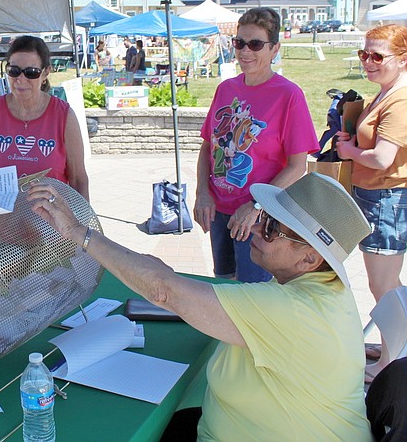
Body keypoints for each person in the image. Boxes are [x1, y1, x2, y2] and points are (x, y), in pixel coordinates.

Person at [30, 173, 373, 441]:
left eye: (271, 227)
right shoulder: (313, 288)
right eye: (264, 217)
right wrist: (162, 281)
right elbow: (169, 288)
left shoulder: (293, 309)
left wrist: (78, 232)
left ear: (310, 257)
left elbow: (164, 290)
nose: (255, 226)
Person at [194, 7, 318, 283]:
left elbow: (298, 166)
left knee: (253, 293)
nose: (245, 51)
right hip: (219, 210)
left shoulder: (289, 96)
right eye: (239, 42)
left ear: (274, 49)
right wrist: (202, 192)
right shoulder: (226, 89)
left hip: (258, 219)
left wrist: (255, 206)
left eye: (255, 44)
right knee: (224, 284)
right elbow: (208, 146)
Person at [336, 23, 407, 382]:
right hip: (378, 197)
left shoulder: (400, 98)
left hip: (387, 199)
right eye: (365, 54)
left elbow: (381, 158)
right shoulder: (387, 91)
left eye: (378, 55)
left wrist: (348, 150)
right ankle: (391, 347)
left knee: (385, 287)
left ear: (403, 59)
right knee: (385, 285)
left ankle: (391, 362)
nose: (368, 61)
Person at [0, 35, 89, 200]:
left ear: (46, 72)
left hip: (50, 224)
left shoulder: (64, 116)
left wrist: (81, 223)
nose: (21, 79)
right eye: (14, 71)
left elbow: (78, 179)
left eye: (31, 72)